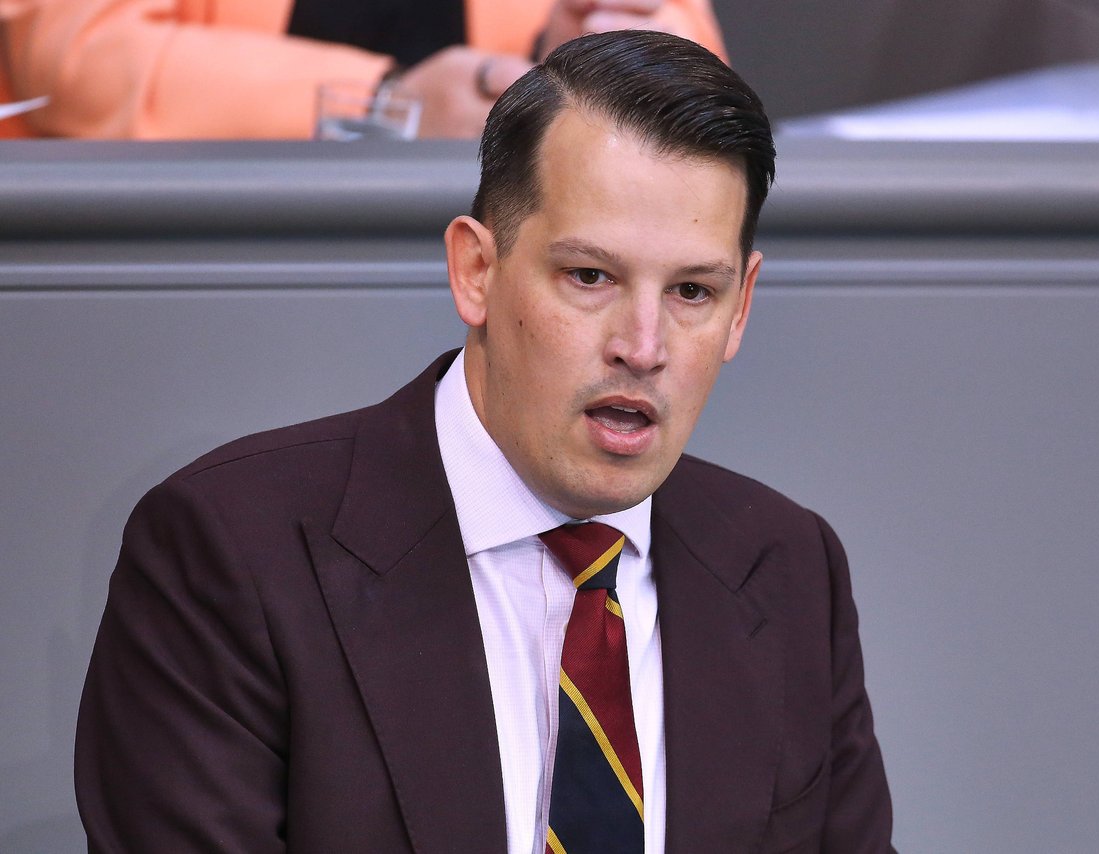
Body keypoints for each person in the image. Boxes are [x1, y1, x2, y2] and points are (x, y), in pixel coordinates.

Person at [74, 30, 895, 853]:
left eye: (691, 291)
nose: (643, 347)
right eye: (590, 276)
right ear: (475, 270)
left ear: (741, 307)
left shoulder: (789, 567)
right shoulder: (231, 551)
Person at [0, 0, 723, 139]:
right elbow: (74, 59)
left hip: (514, 271)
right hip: (194, 257)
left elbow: (693, 63)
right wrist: (385, 106)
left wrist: (583, 56)